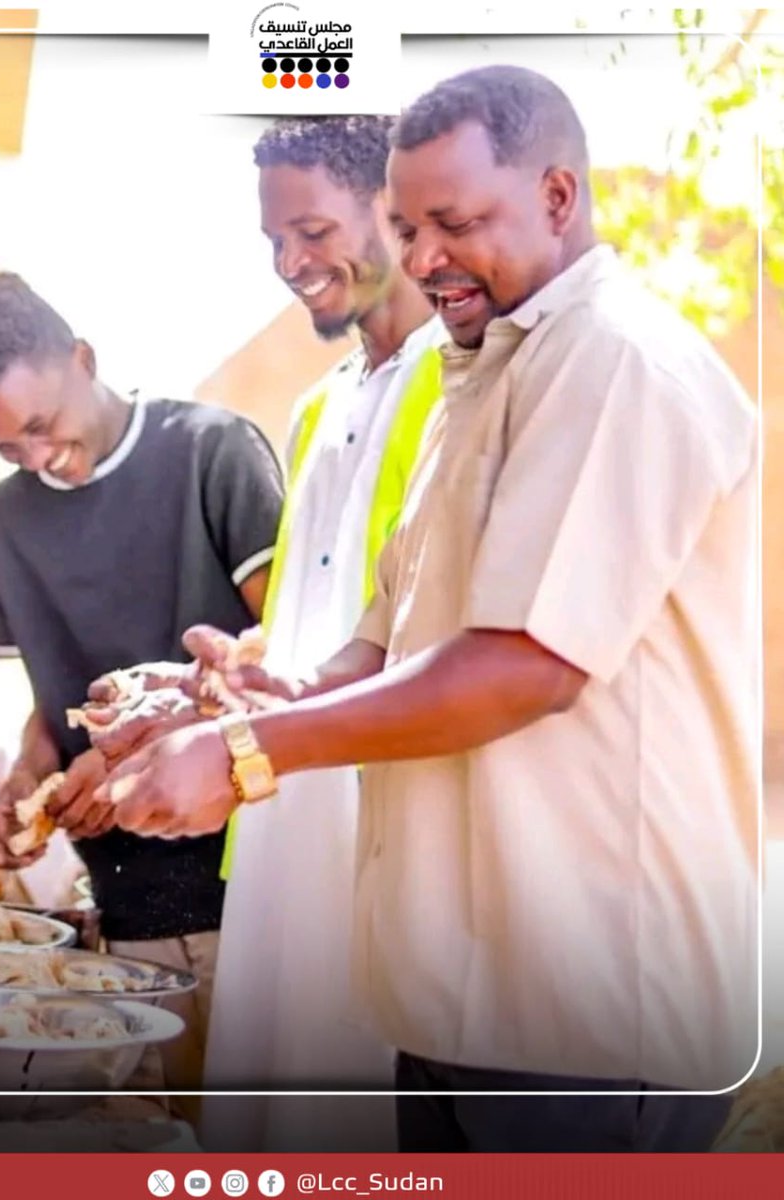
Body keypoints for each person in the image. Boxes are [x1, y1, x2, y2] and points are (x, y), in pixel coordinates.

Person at [93, 66, 759, 1152]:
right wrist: (271, 690)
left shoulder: (617, 363)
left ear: (556, 196)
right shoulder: (484, 372)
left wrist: (247, 754)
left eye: (455, 222)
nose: (425, 257)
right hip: (459, 993)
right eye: (408, 226)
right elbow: (391, 633)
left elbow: (521, 667)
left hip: (587, 1012)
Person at [90, 115, 446, 1152]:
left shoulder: (462, 386)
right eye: (273, 244)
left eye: (312, 230)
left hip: (381, 845)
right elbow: (292, 634)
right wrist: (186, 690)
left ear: (394, 206)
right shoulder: (318, 404)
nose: (292, 265)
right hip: (280, 831)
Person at [0, 272, 284, 1122]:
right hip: (122, 910)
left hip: (255, 893)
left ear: (82, 359)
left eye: (41, 426)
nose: (38, 460)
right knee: (149, 1143)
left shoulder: (213, 452)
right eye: (8, 449)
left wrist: (137, 758)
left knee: (265, 1147)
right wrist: (24, 781)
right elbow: (53, 704)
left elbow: (285, 666)